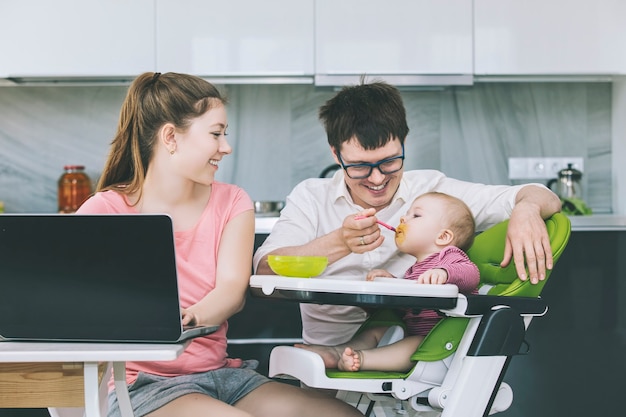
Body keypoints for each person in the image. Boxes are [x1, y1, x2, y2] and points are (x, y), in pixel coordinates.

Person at [76, 72, 363, 417]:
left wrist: (187, 319)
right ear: (170, 137)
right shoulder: (105, 210)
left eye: (224, 134)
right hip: (141, 387)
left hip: (225, 376)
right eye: (215, 134)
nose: (225, 147)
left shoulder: (232, 201)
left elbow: (231, 291)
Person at [253, 80, 562, 347]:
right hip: (328, 362)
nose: (376, 179)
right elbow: (265, 275)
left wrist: (527, 209)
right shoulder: (310, 197)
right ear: (336, 154)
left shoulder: (433, 192)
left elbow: (539, 195)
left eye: (389, 162)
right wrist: (340, 242)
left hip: (414, 361)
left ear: (404, 142)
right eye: (360, 166)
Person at [296, 191, 479, 372]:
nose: (403, 219)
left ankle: (362, 359)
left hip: (440, 342)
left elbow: (471, 274)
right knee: (378, 330)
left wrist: (445, 272)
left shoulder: (449, 257)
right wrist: (392, 285)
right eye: (406, 214)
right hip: (415, 332)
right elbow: (407, 308)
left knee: (414, 344)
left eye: (415, 215)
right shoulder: (414, 269)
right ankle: (337, 352)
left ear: (443, 237)